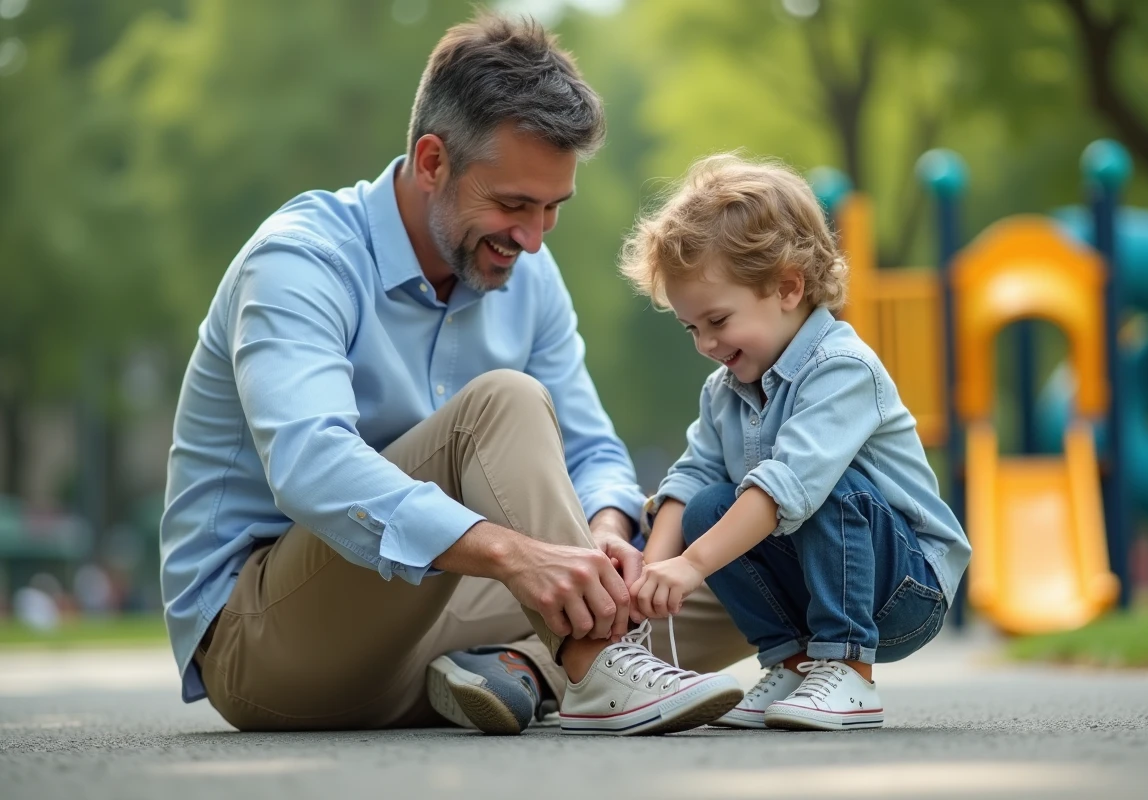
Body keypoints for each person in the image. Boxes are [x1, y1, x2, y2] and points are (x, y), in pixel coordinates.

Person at [160, 11, 750, 737]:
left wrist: (598, 532)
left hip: (431, 629)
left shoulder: (527, 272)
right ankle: (593, 662)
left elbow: (593, 452)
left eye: (551, 209)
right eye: (512, 205)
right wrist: (512, 552)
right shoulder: (301, 258)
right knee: (501, 403)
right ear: (433, 160)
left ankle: (516, 671)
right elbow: (309, 463)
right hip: (268, 643)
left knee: (731, 568)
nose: (532, 239)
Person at [617, 153, 972, 731]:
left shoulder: (841, 369)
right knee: (711, 505)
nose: (704, 343)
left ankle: (849, 671)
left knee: (827, 487)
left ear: (787, 287)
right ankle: (795, 660)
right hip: (816, 580)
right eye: (691, 328)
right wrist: (654, 568)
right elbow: (689, 479)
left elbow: (789, 486)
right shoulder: (724, 390)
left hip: (904, 588)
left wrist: (691, 567)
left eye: (717, 320)